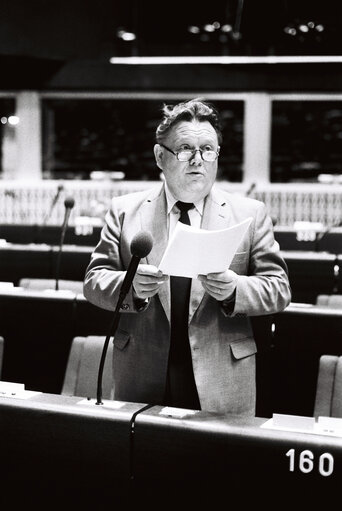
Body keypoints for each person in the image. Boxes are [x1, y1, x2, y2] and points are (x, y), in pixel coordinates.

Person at [83, 98, 291, 415]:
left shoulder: (249, 213)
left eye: (208, 149)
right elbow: (94, 282)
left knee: (218, 464)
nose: (198, 160)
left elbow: (278, 289)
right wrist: (130, 287)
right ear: (159, 156)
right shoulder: (125, 212)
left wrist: (237, 289)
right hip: (142, 371)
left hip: (222, 375)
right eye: (185, 149)